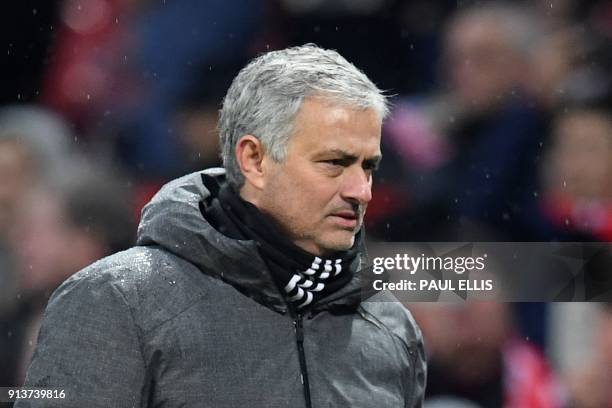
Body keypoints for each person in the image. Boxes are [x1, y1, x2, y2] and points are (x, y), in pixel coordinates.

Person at [17, 44, 427, 408]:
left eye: (368, 167)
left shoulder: (391, 326)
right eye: (334, 163)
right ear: (253, 160)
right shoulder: (115, 300)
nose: (362, 191)